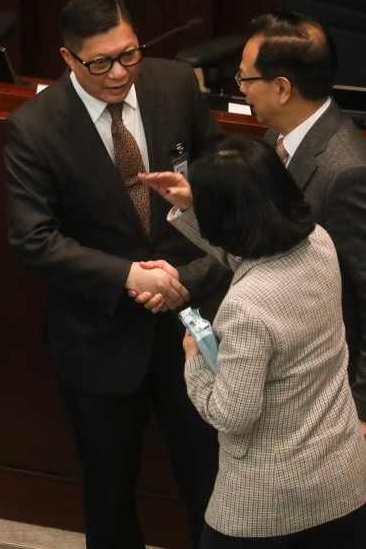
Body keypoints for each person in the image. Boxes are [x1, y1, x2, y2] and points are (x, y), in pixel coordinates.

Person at [4, 0, 229, 548]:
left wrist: (195, 200)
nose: (117, 72)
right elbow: (33, 240)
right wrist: (131, 276)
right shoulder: (35, 126)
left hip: (191, 322)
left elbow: (224, 180)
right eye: (99, 62)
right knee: (108, 488)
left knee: (212, 478)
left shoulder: (174, 84)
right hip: (98, 335)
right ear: (67, 58)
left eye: (129, 54)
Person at [140, 136, 366, 547]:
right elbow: (248, 250)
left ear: (228, 218)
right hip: (342, 481)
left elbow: (231, 414)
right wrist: (197, 204)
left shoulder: (246, 306)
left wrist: (194, 357)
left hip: (267, 504)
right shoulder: (318, 241)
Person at [234, 10, 366, 437]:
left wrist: (361, 411)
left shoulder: (346, 172)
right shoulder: (278, 138)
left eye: (245, 79)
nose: (241, 90)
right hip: (283, 372)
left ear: (283, 88)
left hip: (329, 400)